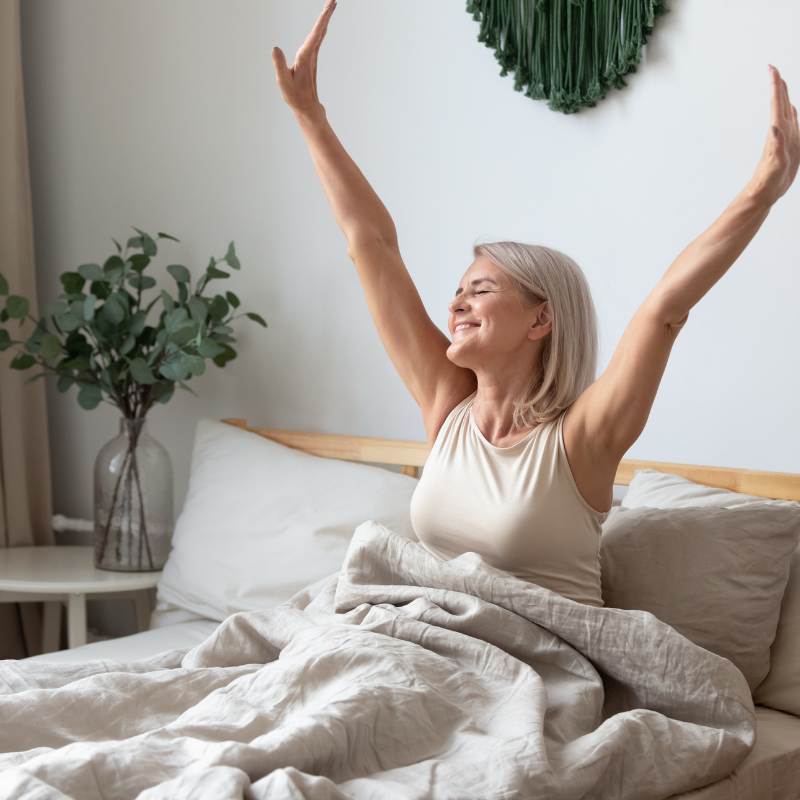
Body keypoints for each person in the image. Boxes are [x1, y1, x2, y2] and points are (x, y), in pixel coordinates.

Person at [272, 1, 800, 605]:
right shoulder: (448, 409)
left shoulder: (582, 439)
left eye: (482, 289)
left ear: (541, 319)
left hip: (538, 660)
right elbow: (372, 245)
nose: (458, 305)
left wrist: (762, 191)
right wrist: (311, 117)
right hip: (428, 637)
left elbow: (664, 309)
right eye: (458, 291)